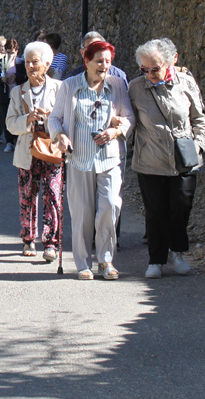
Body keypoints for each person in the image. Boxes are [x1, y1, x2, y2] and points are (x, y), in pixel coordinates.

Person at [48, 39, 133, 280]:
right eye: (99, 61)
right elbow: (54, 118)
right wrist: (60, 136)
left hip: (110, 157)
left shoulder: (117, 85)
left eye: (108, 61)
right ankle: (83, 264)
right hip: (79, 157)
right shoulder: (70, 85)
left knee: (110, 206)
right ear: (86, 61)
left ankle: (106, 261)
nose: (104, 66)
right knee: (83, 212)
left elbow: (128, 117)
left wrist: (115, 131)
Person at [129, 38, 205, 279]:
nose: (150, 74)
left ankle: (177, 251)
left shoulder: (186, 82)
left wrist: (198, 146)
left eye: (155, 68)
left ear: (169, 62)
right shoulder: (135, 88)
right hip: (150, 161)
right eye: (144, 69)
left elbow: (199, 119)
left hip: (184, 158)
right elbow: (128, 119)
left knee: (181, 206)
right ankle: (156, 260)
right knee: (155, 211)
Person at [5, 41, 64, 261]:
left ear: (47, 64)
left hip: (52, 150)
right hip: (27, 151)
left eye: (35, 62)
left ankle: (51, 243)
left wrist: (49, 119)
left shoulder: (60, 89)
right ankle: (28, 238)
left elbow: (68, 120)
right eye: (28, 62)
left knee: (53, 195)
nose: (30, 66)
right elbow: (10, 124)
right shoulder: (18, 92)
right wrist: (28, 119)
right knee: (27, 195)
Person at [0, 38, 19, 153]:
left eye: (13, 52)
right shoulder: (0, 62)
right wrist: (2, 79)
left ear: (17, 52)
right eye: (8, 52)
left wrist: (17, 77)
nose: (10, 54)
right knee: (7, 117)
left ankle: (17, 140)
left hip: (17, 94)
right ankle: (9, 141)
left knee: (18, 116)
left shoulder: (21, 62)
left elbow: (25, 77)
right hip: (5, 94)